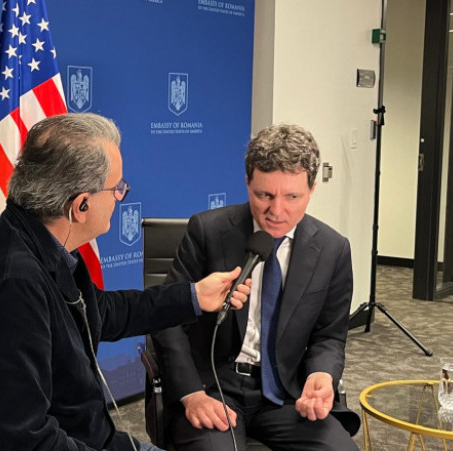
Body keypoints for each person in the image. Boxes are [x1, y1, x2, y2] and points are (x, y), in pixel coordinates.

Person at [0, 113, 251, 451]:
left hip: (84, 436)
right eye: (118, 188)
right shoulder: (12, 287)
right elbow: (26, 441)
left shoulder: (39, 238)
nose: (120, 196)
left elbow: (101, 312)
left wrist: (194, 296)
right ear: (81, 205)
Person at [152, 124, 360, 450]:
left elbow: (329, 336)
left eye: (292, 197)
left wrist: (321, 375)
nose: (276, 211)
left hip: (285, 394)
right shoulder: (207, 231)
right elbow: (168, 318)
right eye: (264, 195)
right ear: (248, 182)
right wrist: (191, 394)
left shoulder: (333, 249)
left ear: (312, 189)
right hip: (213, 387)